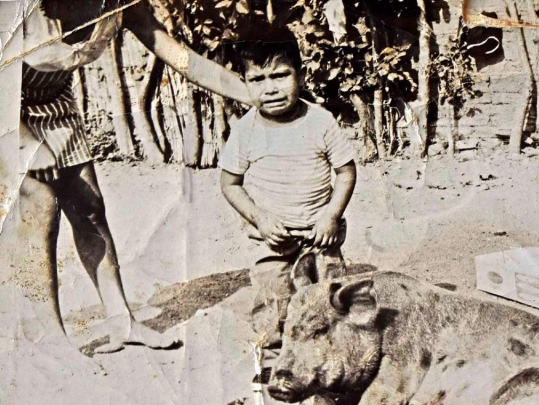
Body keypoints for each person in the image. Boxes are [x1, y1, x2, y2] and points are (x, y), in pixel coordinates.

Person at [10, 0, 253, 354]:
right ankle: (50, 343)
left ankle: (123, 323)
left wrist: (250, 93)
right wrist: (26, 143)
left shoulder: (120, 5)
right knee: (42, 209)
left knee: (89, 207)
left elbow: (181, 58)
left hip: (55, 104)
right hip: (8, 112)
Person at [219, 21, 358, 348]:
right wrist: (260, 219)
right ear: (245, 83)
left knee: (332, 307)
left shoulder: (320, 121)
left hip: (321, 236)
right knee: (274, 314)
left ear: (301, 75)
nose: (270, 88)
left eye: (280, 75)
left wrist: (331, 215)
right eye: (257, 79)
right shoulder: (244, 131)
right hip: (272, 239)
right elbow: (229, 184)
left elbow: (346, 172)